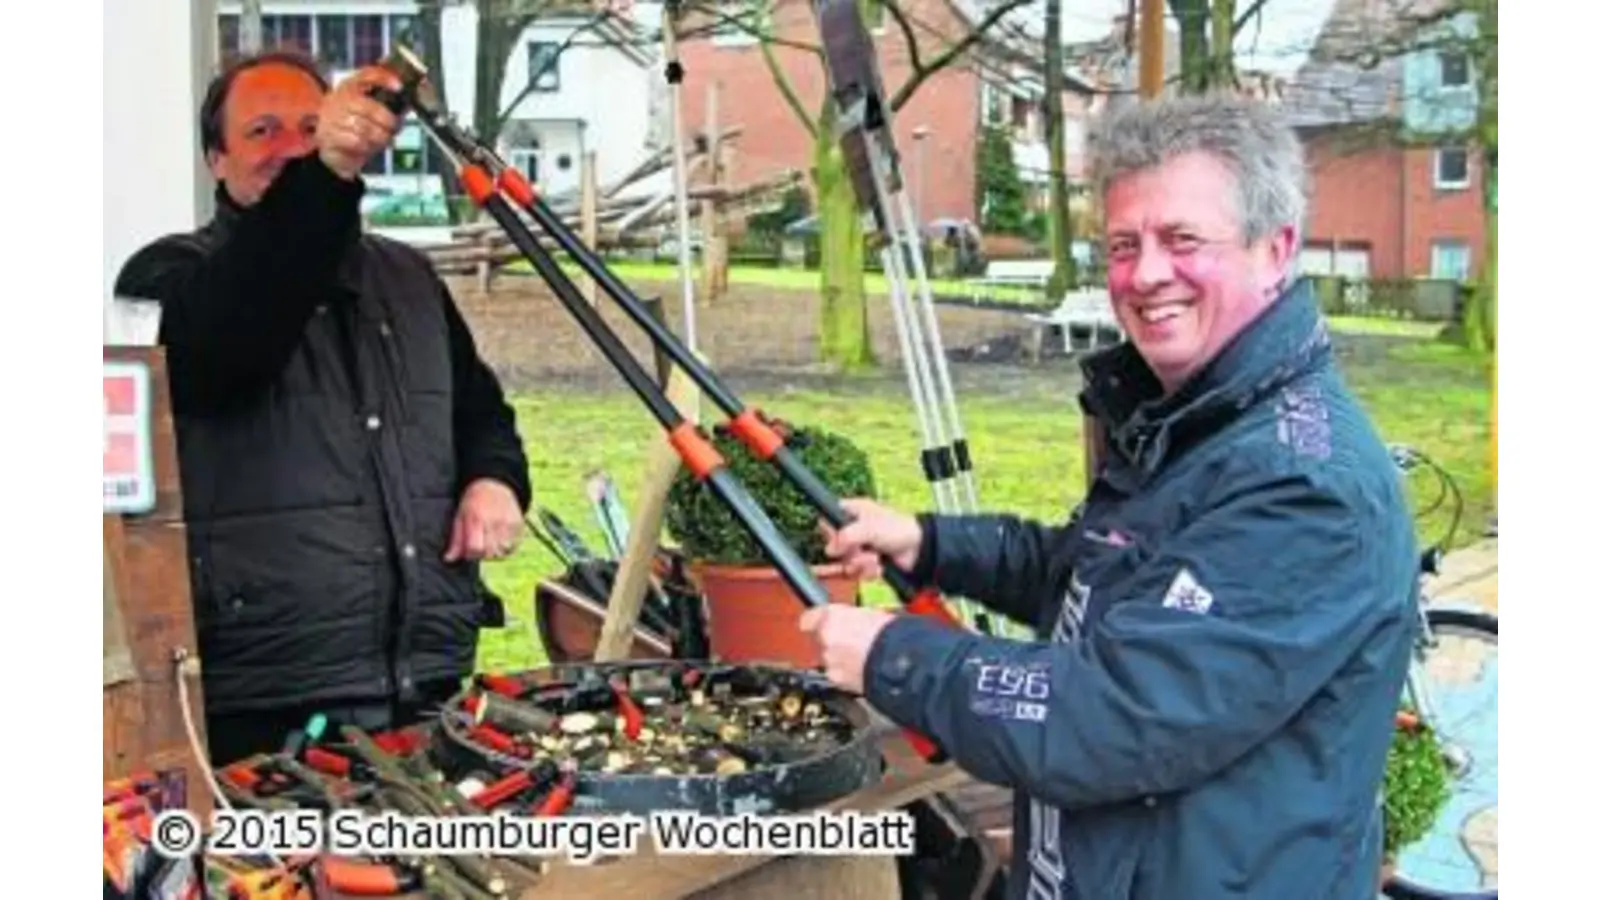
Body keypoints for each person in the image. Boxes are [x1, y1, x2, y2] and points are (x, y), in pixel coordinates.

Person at [802, 93, 1419, 898]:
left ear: (1276, 250)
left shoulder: (1305, 486)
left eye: (1182, 239)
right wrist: (928, 541)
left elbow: (1114, 719)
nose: (1146, 273)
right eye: (1124, 245)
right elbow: (1095, 575)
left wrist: (896, 656)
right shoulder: (1200, 419)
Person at [113, 51, 532, 765]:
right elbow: (228, 349)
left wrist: (494, 480)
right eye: (262, 131)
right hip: (265, 700)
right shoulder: (163, 275)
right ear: (216, 159)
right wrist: (323, 178)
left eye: (311, 126)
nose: (291, 149)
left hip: (423, 678)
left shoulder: (409, 277)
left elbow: (481, 416)